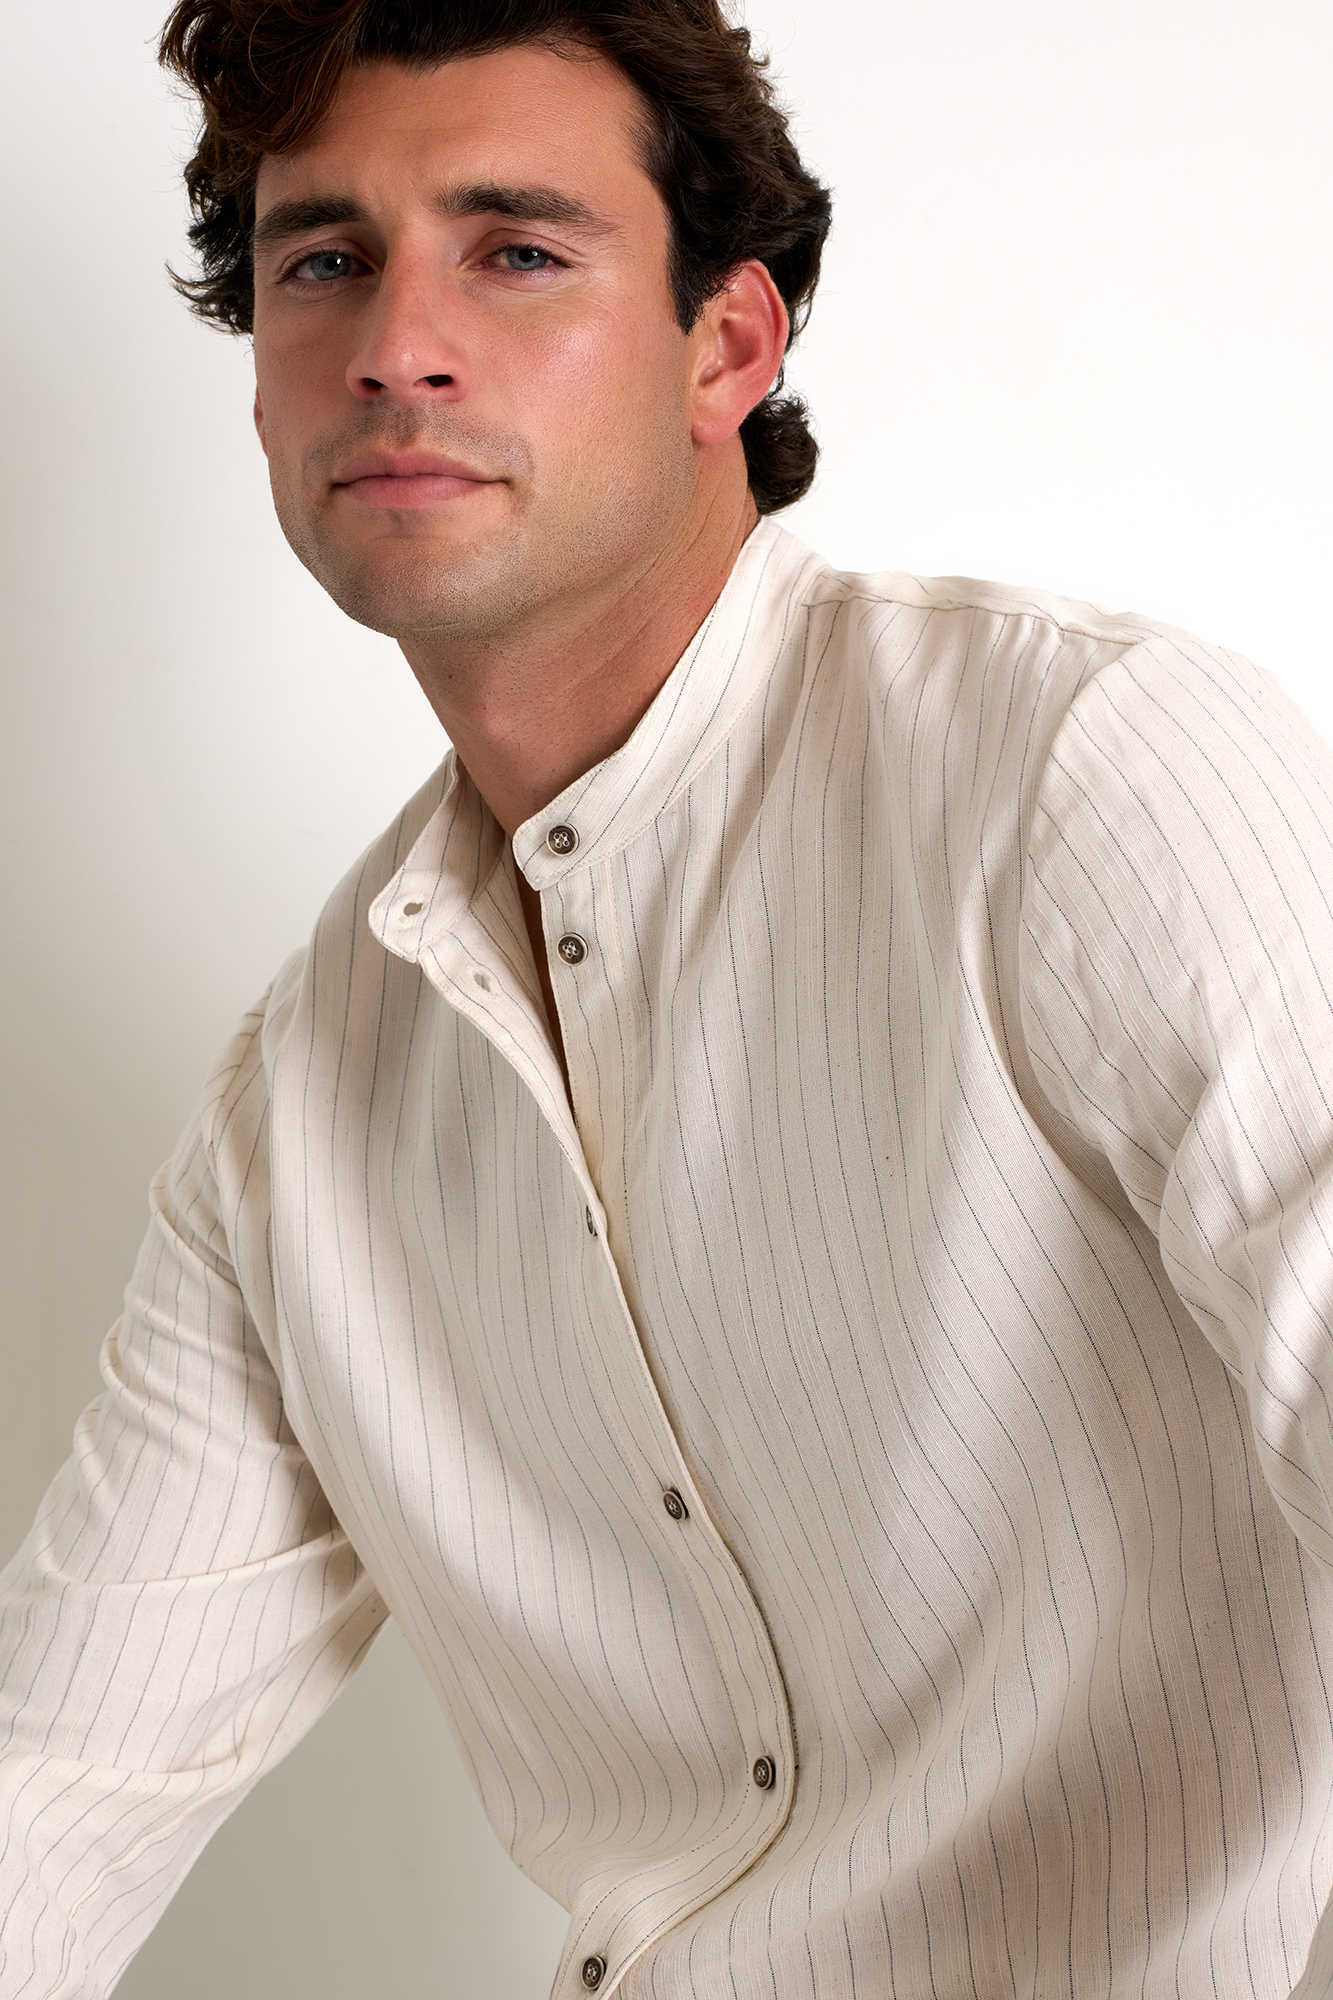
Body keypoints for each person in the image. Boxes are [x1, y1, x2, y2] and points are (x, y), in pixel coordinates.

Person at [5, 1, 1333, 1996]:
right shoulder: (303, 1108)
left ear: (727, 343)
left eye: (517, 250)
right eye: (325, 260)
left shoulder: (1083, 776)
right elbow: (60, 1779)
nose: (396, 345)